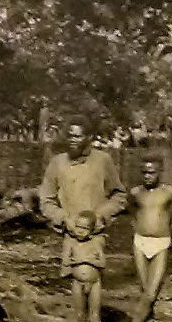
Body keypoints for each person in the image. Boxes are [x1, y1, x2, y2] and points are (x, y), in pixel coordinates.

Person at [39, 120, 125, 290]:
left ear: (89, 137)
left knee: (91, 278)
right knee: (76, 282)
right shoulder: (58, 162)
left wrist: (100, 216)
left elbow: (119, 195)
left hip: (95, 233)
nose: (72, 140)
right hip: (71, 233)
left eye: (78, 136)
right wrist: (63, 219)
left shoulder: (102, 160)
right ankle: (80, 316)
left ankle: (93, 316)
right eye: (70, 135)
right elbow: (46, 200)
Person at [118, 155, 172, 322]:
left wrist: (163, 232)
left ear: (160, 172)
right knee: (145, 293)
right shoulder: (135, 192)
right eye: (144, 172)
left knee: (151, 294)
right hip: (140, 242)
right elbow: (132, 214)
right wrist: (141, 231)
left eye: (152, 172)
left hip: (161, 243)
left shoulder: (169, 193)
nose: (148, 176)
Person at [65, 210, 106, 322]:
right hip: (77, 282)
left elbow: (103, 263)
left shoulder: (96, 243)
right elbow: (65, 262)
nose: (80, 231)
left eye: (84, 228)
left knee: (94, 316)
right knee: (79, 316)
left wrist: (88, 261)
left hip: (94, 283)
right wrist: (79, 260)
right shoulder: (71, 243)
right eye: (78, 227)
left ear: (92, 230)